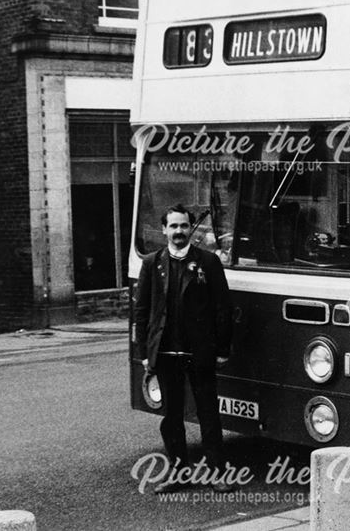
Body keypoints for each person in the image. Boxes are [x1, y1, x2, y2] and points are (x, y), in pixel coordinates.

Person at [134, 204, 233, 493]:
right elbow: (142, 311)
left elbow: (222, 308)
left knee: (208, 414)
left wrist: (222, 349)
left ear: (191, 229)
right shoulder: (153, 263)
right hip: (165, 354)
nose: (179, 231)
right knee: (172, 417)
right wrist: (144, 353)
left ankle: (218, 474)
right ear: (164, 229)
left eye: (184, 226)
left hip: (199, 352)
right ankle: (179, 474)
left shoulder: (209, 262)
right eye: (173, 226)